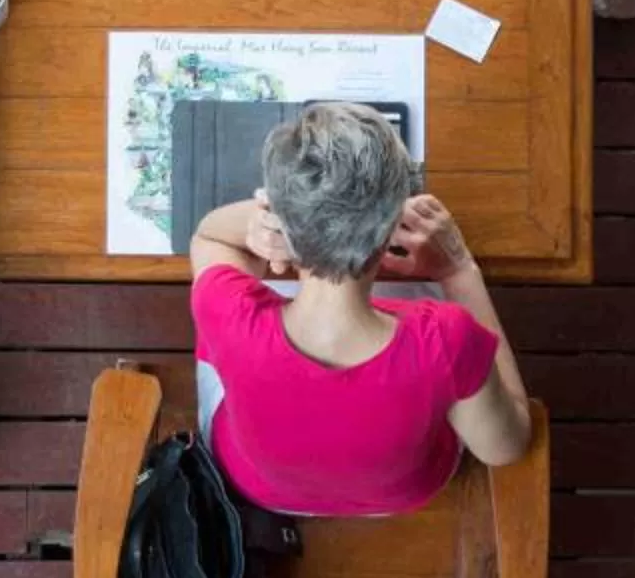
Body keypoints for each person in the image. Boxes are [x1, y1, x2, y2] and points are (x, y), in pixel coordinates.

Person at [183, 101, 536, 520]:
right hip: (399, 493)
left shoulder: (227, 311)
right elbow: (506, 447)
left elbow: (209, 235)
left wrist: (271, 218)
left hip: (258, 484)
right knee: (430, 302)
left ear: (279, 217)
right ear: (390, 230)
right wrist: (459, 270)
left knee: (220, 328)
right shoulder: (447, 337)